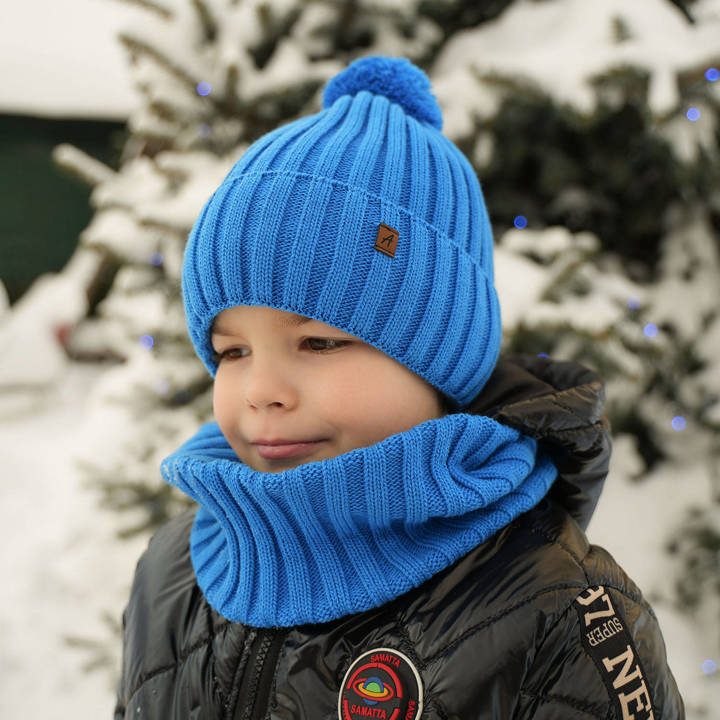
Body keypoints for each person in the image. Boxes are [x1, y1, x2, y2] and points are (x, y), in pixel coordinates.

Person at [114, 56, 684, 719]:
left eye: (320, 342)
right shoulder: (173, 570)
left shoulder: (558, 609)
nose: (260, 390)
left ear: (439, 359)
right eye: (231, 351)